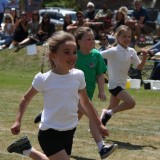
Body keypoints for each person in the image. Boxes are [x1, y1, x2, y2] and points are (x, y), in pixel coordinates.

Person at [7, 31, 117, 160]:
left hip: (69, 131)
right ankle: (27, 149)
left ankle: (27, 149)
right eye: (66, 52)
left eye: (74, 52)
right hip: (49, 133)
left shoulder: (78, 75)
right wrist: (17, 121)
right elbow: (26, 98)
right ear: (53, 55)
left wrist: (99, 124)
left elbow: (86, 102)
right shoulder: (43, 79)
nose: (72, 56)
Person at [99, 25, 148, 126]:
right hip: (114, 85)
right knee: (131, 103)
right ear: (118, 37)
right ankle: (107, 113)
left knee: (111, 108)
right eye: (124, 36)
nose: (127, 39)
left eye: (129, 36)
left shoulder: (131, 51)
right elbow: (97, 55)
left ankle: (99, 128)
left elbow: (138, 67)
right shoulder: (113, 51)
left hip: (122, 84)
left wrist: (144, 58)